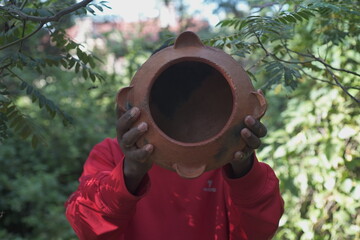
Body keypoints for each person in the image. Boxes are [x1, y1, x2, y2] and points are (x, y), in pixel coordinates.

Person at [65, 101, 284, 239]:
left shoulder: (227, 159)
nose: (183, 111)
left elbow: (259, 230)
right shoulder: (111, 153)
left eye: (195, 99)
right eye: (173, 100)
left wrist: (243, 169)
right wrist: (130, 171)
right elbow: (87, 228)